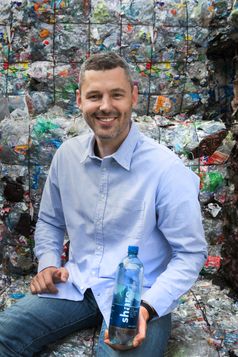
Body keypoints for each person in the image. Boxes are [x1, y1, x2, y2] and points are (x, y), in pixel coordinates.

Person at [0, 52, 207, 357]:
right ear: (79, 100)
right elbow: (51, 222)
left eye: (117, 95)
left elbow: (190, 253)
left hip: (139, 298)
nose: (106, 106)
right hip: (77, 284)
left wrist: (148, 309)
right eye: (95, 96)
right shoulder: (66, 157)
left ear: (134, 96)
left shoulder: (166, 169)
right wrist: (48, 264)